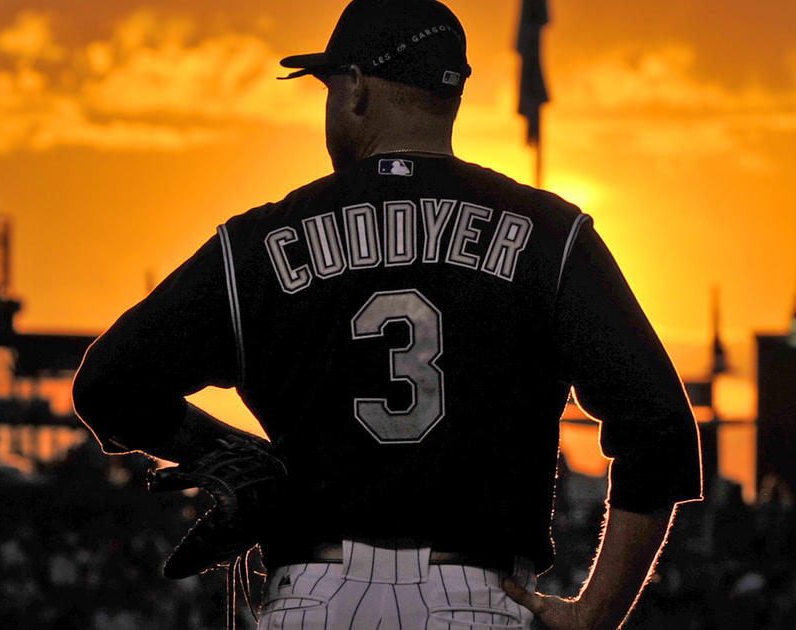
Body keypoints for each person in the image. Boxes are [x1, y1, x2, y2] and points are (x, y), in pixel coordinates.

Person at [71, 0, 702, 628]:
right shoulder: (549, 234)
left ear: (355, 87)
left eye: (329, 85)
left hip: (311, 597)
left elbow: (108, 384)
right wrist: (596, 613)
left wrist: (228, 452)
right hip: (476, 600)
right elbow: (660, 429)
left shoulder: (259, 241)